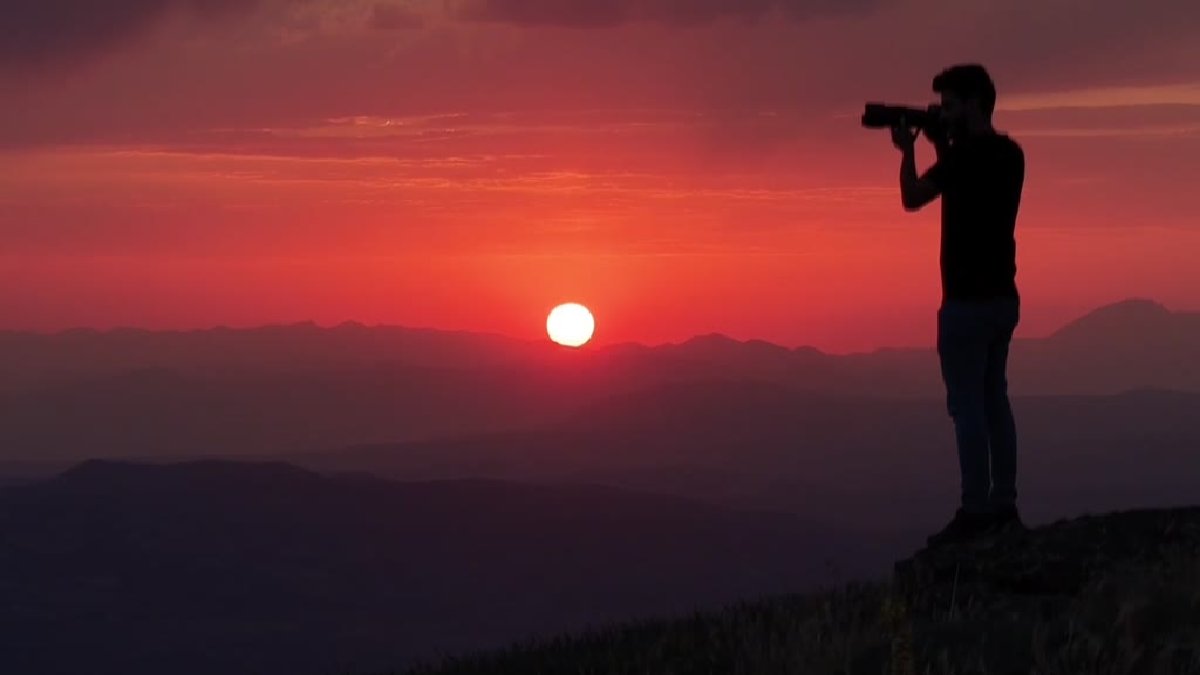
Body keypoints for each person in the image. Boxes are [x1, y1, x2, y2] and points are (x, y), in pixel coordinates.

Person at [890, 63, 1027, 548]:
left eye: (950, 105)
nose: (943, 113)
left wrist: (908, 151)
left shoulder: (963, 159)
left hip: (965, 302)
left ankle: (974, 510)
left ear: (973, 103)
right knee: (995, 401)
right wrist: (942, 143)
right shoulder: (1011, 155)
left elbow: (913, 197)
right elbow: (967, 184)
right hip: (1003, 299)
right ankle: (1004, 504)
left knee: (966, 406)